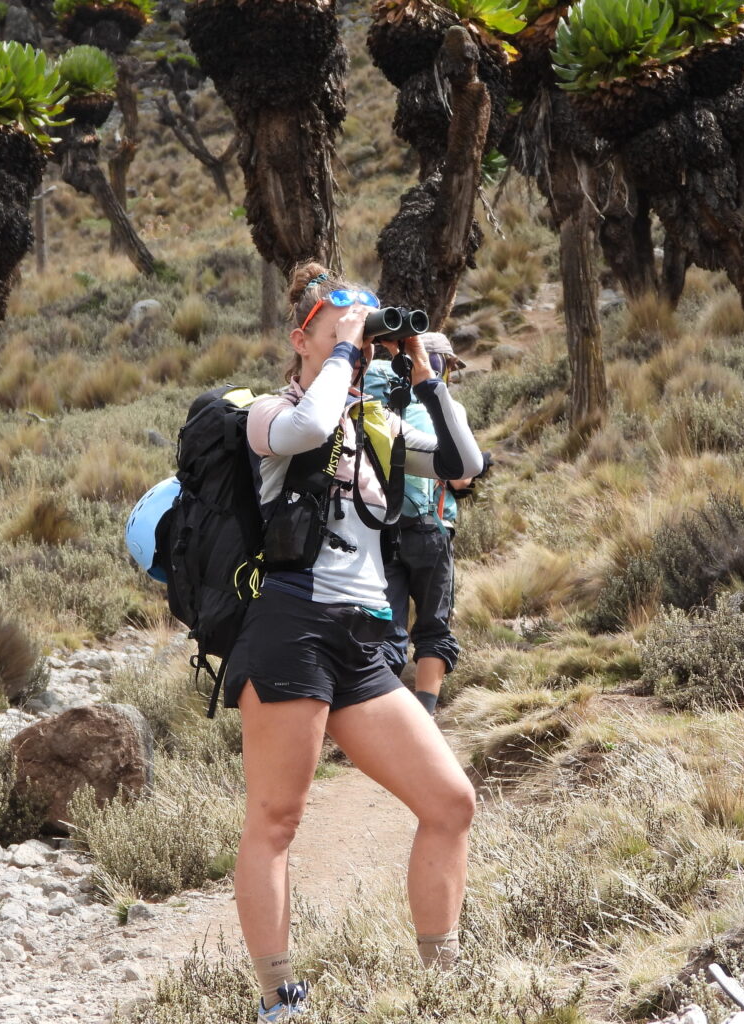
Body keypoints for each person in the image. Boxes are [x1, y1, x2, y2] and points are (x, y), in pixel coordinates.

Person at [223, 262, 485, 1022]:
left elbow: (465, 467)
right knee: (277, 819)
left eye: (364, 326)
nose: (358, 337)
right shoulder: (267, 411)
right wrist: (341, 353)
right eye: (339, 324)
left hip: (363, 638)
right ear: (301, 335)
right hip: (291, 626)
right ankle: (280, 998)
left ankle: (444, 986)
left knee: (450, 802)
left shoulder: (378, 421)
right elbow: (306, 429)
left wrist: (425, 375)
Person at [363, 333, 473, 717]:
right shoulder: (447, 410)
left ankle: (381, 717)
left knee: (386, 628)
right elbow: (461, 480)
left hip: (380, 527)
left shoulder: (374, 404)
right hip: (431, 526)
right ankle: (423, 716)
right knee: (433, 627)